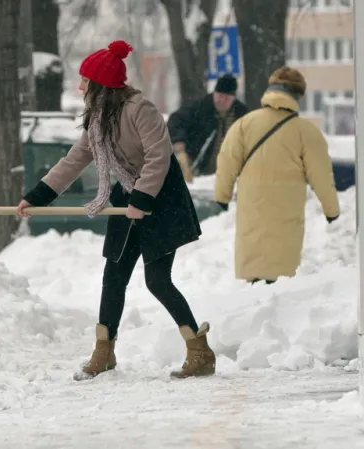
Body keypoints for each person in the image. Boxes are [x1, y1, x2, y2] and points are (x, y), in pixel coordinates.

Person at [17, 40, 215, 380]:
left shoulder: (142, 109)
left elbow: (159, 156)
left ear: (102, 86)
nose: (80, 88)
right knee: (114, 277)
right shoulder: (97, 119)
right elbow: (76, 159)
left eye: (85, 82)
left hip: (161, 201)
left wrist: (142, 200)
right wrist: (38, 195)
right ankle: (103, 353)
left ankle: (199, 352)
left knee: (157, 280)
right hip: (129, 198)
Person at [214, 66, 340, 284]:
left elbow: (226, 161)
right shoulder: (306, 132)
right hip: (287, 209)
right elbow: (321, 175)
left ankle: (254, 298)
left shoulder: (244, 124)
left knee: (254, 267)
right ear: (297, 95)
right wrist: (332, 210)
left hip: (252, 204)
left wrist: (222, 197)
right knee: (281, 273)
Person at [167, 74, 249, 182]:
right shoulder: (201, 107)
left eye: (226, 98)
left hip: (231, 172)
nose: (221, 100)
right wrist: (179, 143)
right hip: (199, 168)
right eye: (219, 95)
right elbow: (176, 120)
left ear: (233, 98)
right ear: (214, 93)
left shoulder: (241, 114)